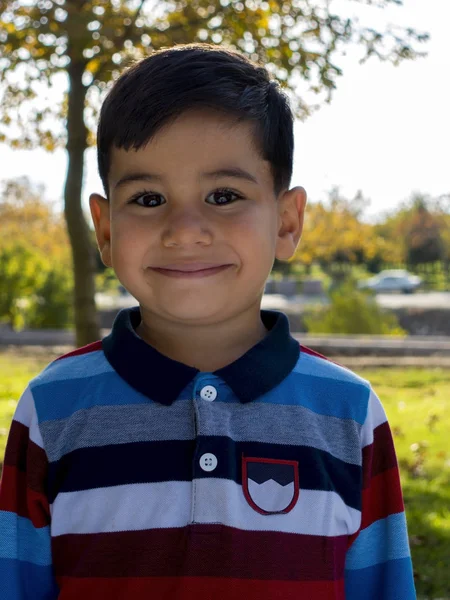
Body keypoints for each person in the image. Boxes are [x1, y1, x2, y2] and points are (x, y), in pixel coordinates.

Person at [0, 43, 415, 600]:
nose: (185, 229)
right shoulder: (52, 409)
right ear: (104, 228)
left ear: (287, 222)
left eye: (224, 195)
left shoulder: (349, 413)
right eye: (148, 198)